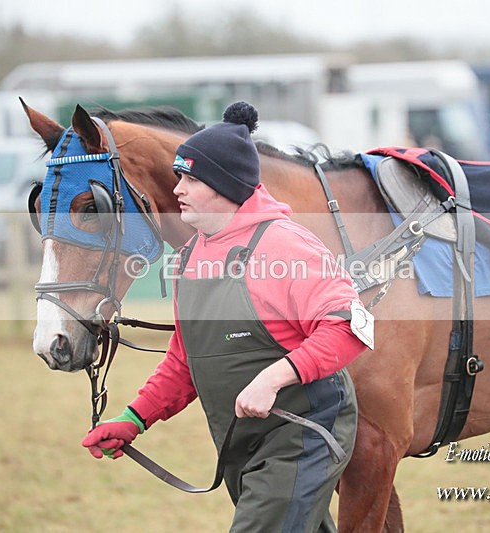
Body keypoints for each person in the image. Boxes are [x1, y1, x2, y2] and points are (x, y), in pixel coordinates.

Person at [82, 101, 372, 532]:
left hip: (302, 435)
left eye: (190, 179)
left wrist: (273, 378)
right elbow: (186, 359)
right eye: (178, 177)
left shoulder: (286, 246)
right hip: (242, 441)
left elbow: (350, 328)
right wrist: (133, 418)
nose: (177, 189)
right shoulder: (190, 255)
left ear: (225, 185)